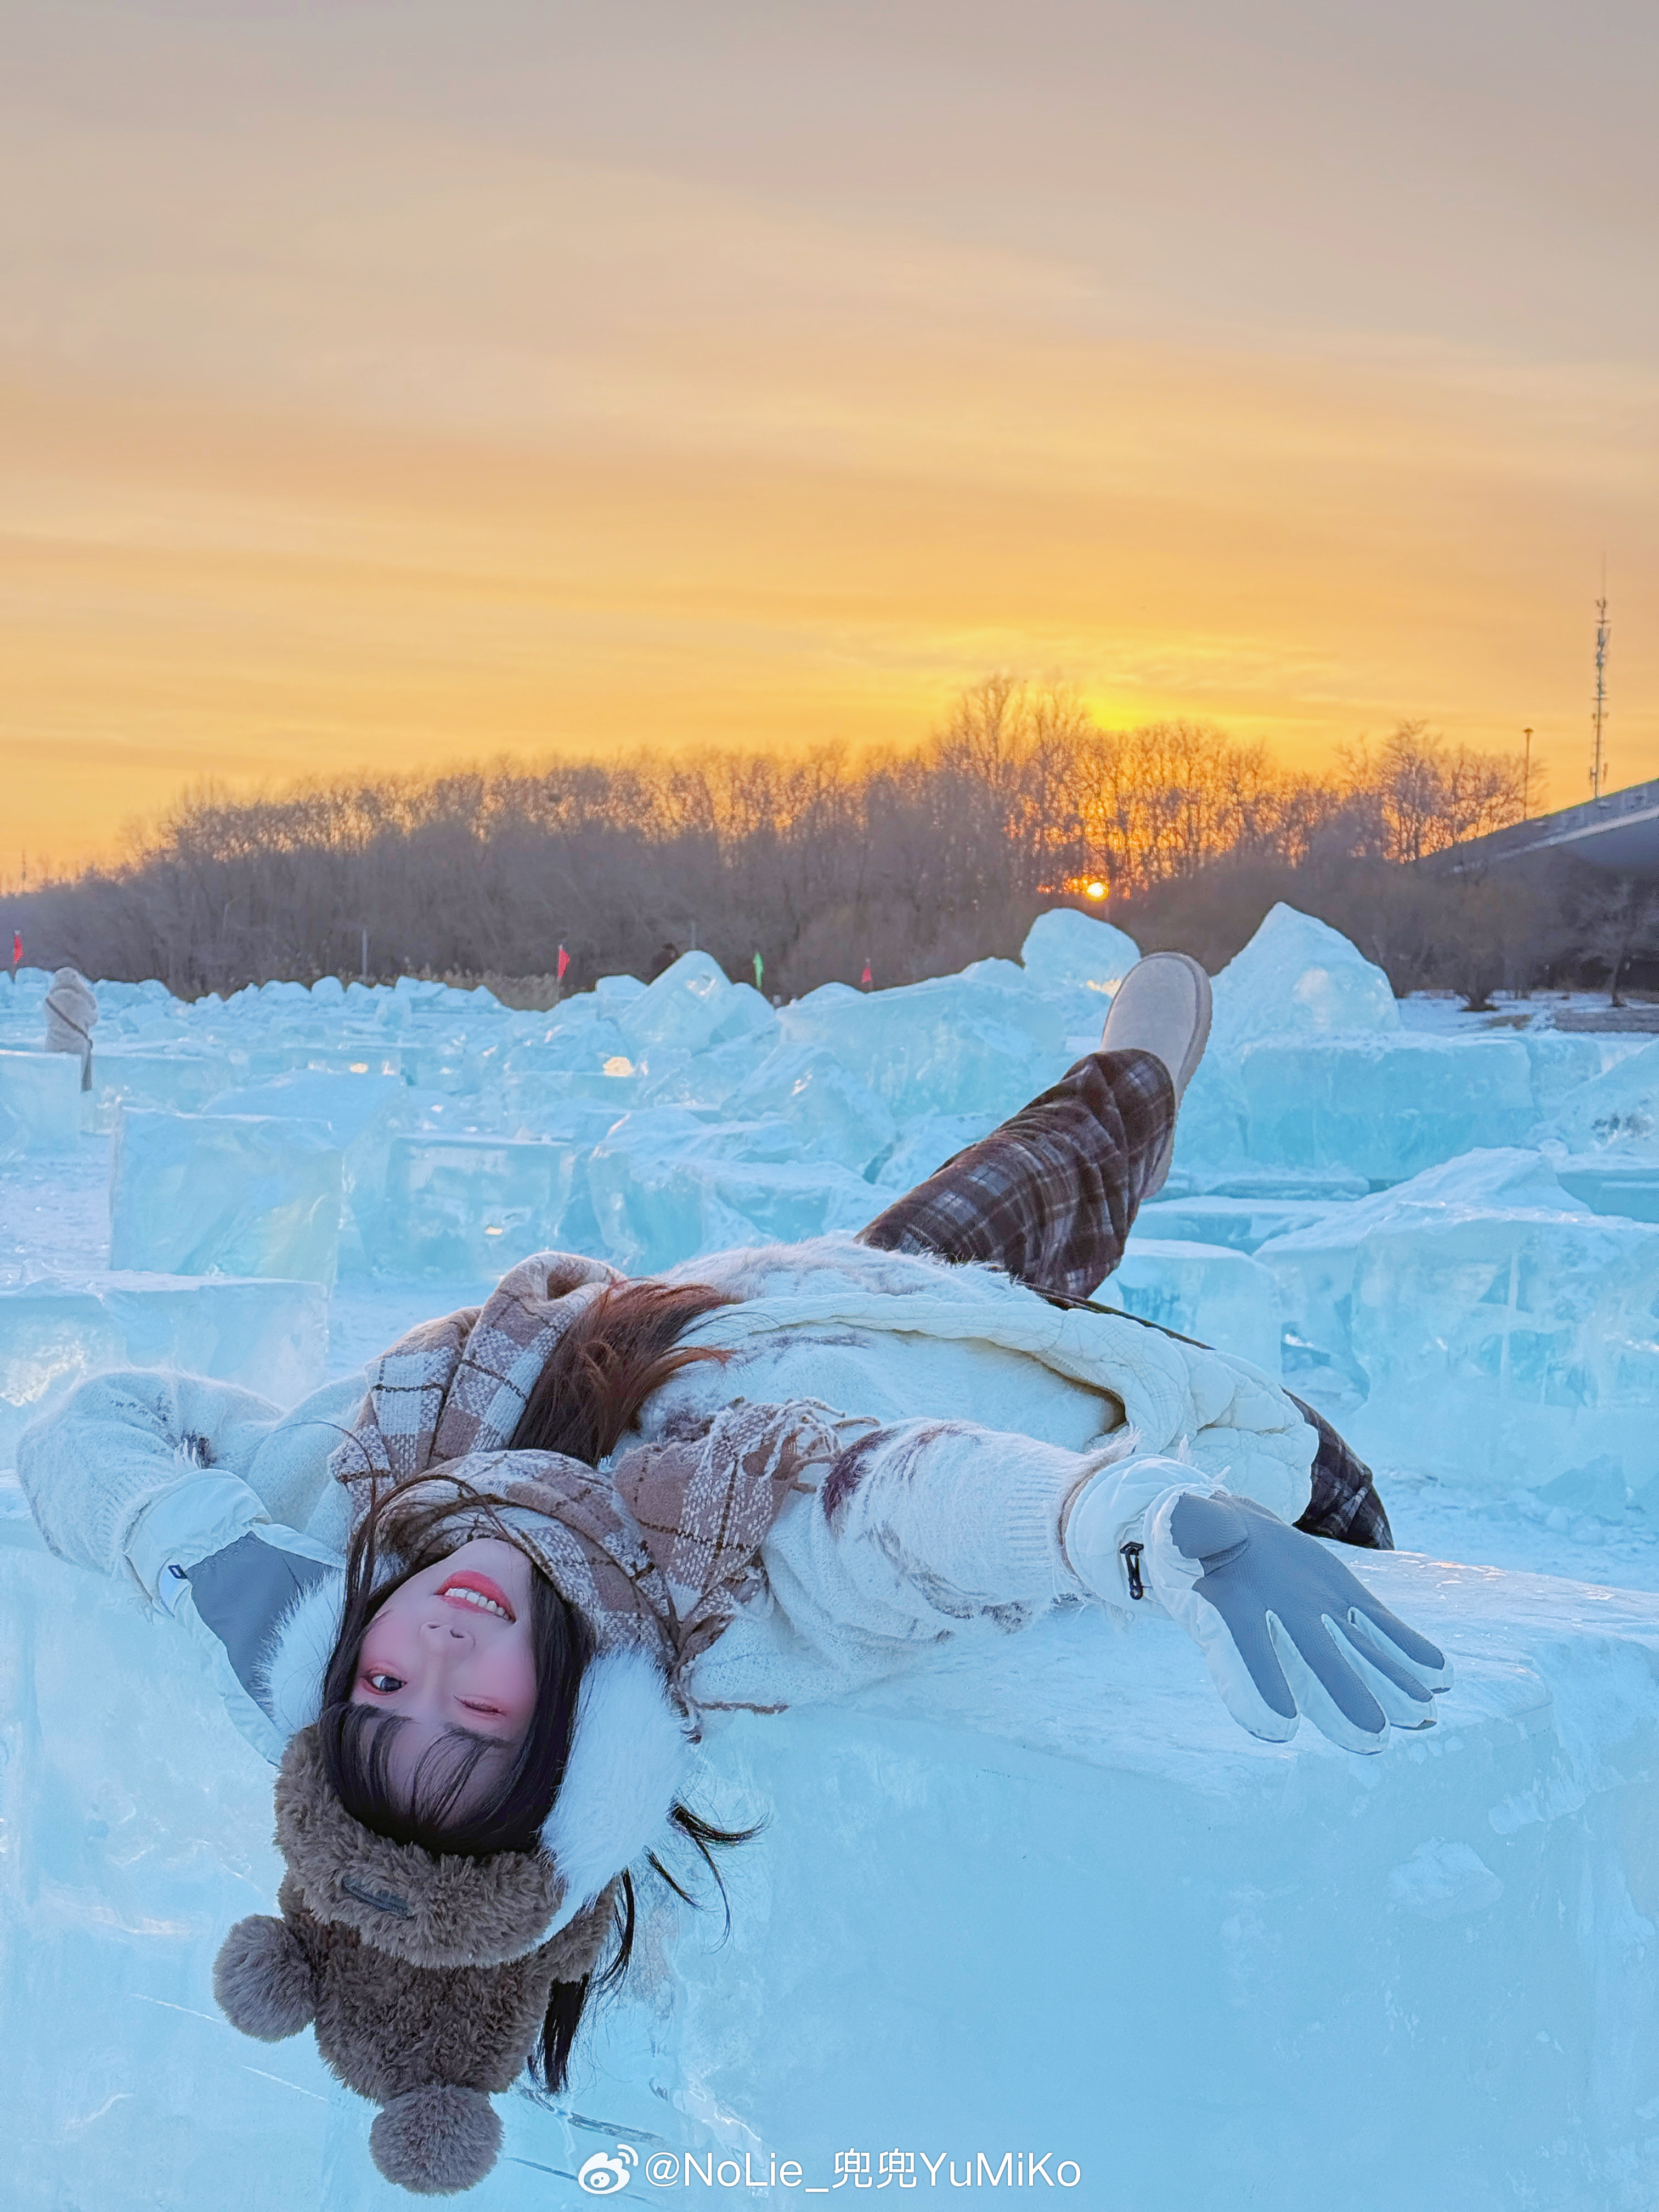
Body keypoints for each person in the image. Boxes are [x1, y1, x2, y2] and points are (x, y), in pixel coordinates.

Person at [16, 955, 1448, 2194]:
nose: (441, 1654)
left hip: (771, 1301)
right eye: (484, 1722)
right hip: (1048, 1384)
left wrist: (217, 1564)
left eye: (384, 1687)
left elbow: (85, 1426)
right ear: (573, 1734)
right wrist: (1146, 1525)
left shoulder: (367, 1506)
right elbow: (900, 1509)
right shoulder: (722, 1596)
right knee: (1328, 1492)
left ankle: (1129, 1069)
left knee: (1063, 1146)